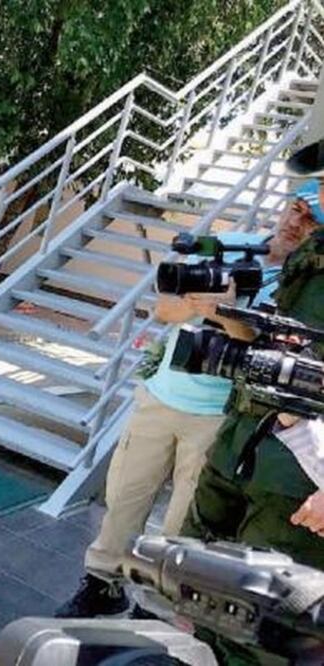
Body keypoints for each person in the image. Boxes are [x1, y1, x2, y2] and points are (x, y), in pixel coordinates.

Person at [54, 179, 321, 618]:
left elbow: (266, 352)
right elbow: (165, 307)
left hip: (218, 414)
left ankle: (154, 607)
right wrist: (202, 303)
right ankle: (101, 585)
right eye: (293, 208)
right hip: (163, 395)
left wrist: (225, 312)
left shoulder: (303, 287)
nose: (295, 222)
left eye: (310, 218)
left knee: (183, 524)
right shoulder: (228, 245)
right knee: (124, 500)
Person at [180, 147, 324, 665]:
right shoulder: (312, 255)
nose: (319, 197)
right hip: (245, 448)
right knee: (206, 596)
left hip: (301, 483)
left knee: (269, 633)